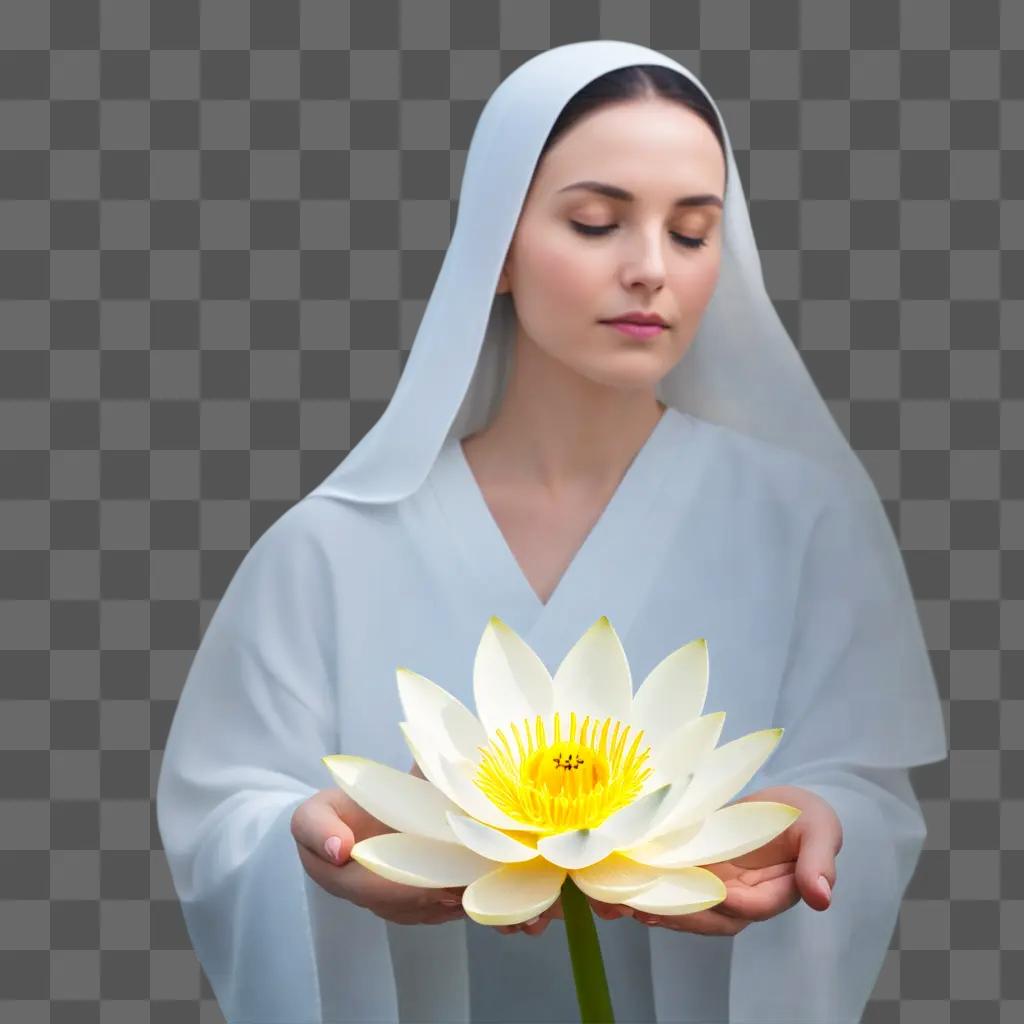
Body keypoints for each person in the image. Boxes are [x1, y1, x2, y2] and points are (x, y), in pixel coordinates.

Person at [155, 40, 948, 1024]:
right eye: (595, 222)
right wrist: (308, 846)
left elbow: (862, 786)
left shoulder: (805, 523)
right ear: (494, 245)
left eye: (693, 234)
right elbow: (219, 814)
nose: (650, 269)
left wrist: (823, 822)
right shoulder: (329, 549)